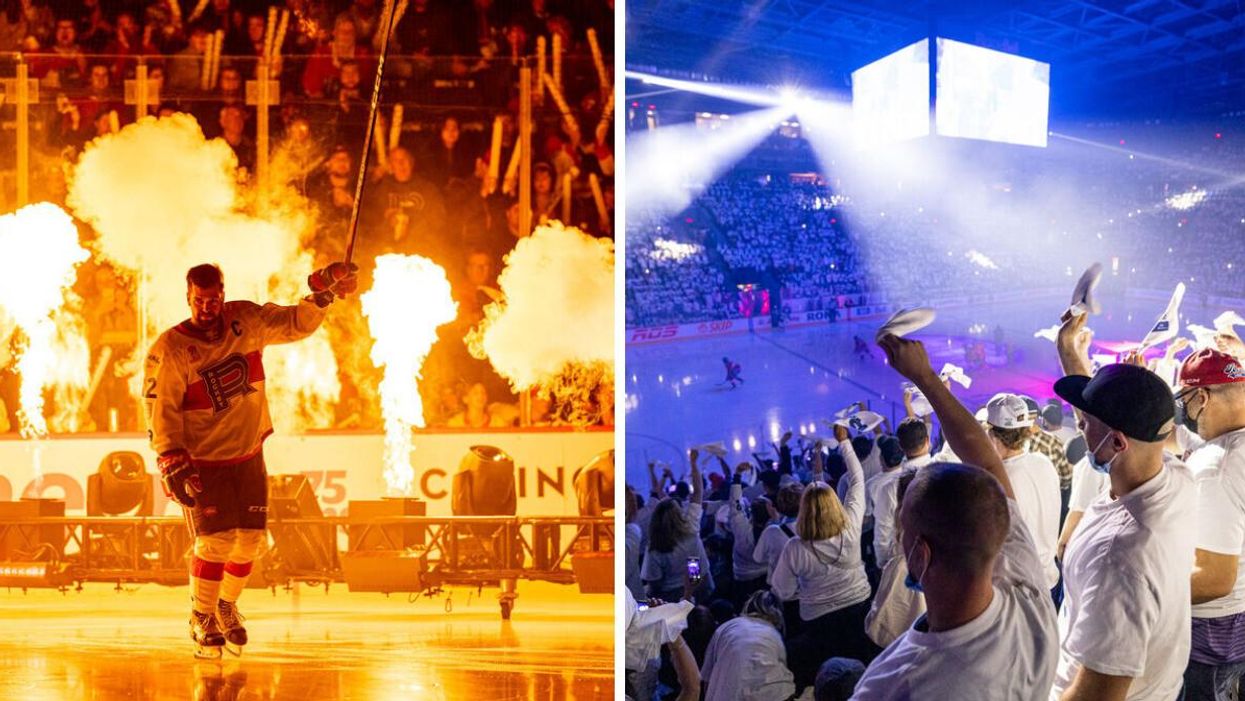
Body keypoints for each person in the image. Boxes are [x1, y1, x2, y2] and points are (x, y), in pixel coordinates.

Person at [143, 262, 357, 658]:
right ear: (188, 297)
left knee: (249, 543)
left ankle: (226, 605)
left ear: (223, 294)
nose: (207, 308)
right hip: (203, 461)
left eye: (213, 299)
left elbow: (294, 322)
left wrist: (322, 295)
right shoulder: (170, 349)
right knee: (215, 542)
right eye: (198, 301)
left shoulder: (246, 319)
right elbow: (159, 407)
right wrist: (170, 456)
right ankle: (201, 615)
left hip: (248, 454)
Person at [852, 333, 1058, 699]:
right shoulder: (1030, 597)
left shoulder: (891, 685)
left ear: (921, 555)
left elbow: (988, 463)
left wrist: (925, 380)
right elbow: (987, 462)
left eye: (904, 531)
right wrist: (927, 379)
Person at [1049, 310, 1196, 700]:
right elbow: (1115, 423)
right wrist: (1068, 352)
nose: (1079, 425)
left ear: (1117, 443)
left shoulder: (1119, 558)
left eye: (1085, 423)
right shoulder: (1174, 477)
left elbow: (1097, 695)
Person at [772, 426, 877, 689]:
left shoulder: (795, 547)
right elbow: (857, 479)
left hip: (818, 622)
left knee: (830, 680)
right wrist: (844, 443)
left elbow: (782, 591)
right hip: (859, 608)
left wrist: (807, 590)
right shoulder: (851, 526)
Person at [1177, 349, 1245, 700]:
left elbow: (1215, 578)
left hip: (1209, 633)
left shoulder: (1216, 466)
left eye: (1185, 401)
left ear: (1200, 397)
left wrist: (1144, 597)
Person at [984, 393, 1062, 599]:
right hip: (1049, 580)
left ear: (993, 436)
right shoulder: (1043, 462)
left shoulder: (999, 482)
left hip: (1019, 589)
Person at [699, 589, 796, 701]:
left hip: (693, 592)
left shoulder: (727, 627)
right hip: (772, 693)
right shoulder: (773, 634)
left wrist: (689, 595)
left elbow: (707, 676)